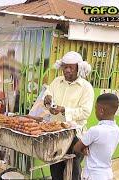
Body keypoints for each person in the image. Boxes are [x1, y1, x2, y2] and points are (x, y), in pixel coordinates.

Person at [43, 51, 94, 180]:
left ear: (79, 68)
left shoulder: (86, 88)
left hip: (75, 135)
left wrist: (64, 110)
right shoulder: (57, 81)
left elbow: (85, 112)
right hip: (56, 133)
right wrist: (48, 101)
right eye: (65, 67)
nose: (67, 70)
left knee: (73, 170)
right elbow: (48, 95)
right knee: (56, 168)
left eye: (71, 67)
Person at [74, 93, 119, 180]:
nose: (94, 111)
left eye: (95, 108)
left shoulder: (95, 130)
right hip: (107, 174)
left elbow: (76, 148)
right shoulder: (116, 129)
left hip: (93, 175)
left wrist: (83, 147)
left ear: (101, 110)